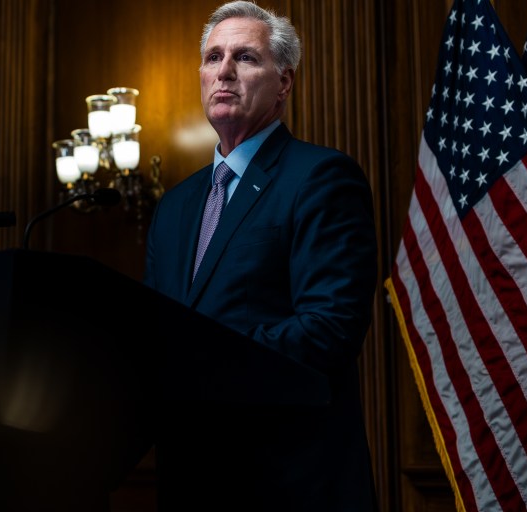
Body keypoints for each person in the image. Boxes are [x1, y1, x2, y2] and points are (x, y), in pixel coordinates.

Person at [143, 1, 378, 510]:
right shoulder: (175, 207)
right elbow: (154, 336)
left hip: (287, 482)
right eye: (212, 57)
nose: (223, 71)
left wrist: (203, 359)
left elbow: (330, 327)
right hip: (192, 479)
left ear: (285, 82)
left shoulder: (320, 178)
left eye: (245, 57)